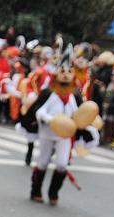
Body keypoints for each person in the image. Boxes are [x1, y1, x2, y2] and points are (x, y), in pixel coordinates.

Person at [18, 47, 100, 206]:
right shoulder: (49, 92)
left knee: (62, 164)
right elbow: (39, 111)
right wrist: (52, 120)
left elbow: (79, 113)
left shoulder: (75, 95)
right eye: (62, 71)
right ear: (57, 73)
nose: (66, 74)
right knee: (42, 163)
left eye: (69, 71)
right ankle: (36, 190)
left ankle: (53, 192)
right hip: (47, 133)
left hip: (65, 136)